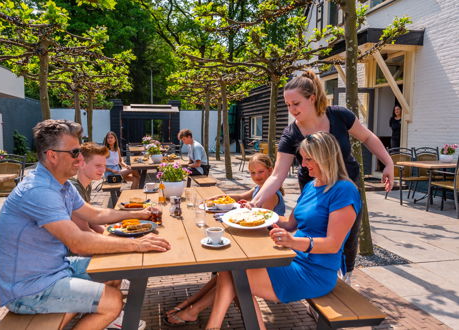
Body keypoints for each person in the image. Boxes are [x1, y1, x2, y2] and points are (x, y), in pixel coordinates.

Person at [0, 120, 171, 330]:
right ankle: (106, 317)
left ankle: (103, 322)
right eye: (75, 152)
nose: (80, 158)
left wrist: (139, 213)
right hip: (28, 289)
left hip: (54, 270)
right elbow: (78, 243)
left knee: (114, 268)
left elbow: (96, 214)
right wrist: (137, 244)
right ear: (52, 155)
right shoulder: (38, 191)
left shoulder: (62, 184)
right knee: (113, 301)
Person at [205, 131, 362, 329]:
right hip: (292, 258)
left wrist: (292, 241)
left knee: (236, 276)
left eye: (308, 159)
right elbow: (289, 223)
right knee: (232, 270)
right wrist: (257, 211)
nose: (303, 165)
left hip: (316, 272)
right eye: (302, 158)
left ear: (326, 157)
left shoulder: (344, 190)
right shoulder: (312, 186)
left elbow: (332, 245)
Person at [250, 70, 394, 282]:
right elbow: (277, 175)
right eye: (288, 105)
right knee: (314, 227)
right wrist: (255, 202)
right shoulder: (291, 134)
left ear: (312, 98)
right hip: (313, 185)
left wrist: (388, 162)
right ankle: (313, 275)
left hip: (346, 182)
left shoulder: (339, 115)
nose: (291, 110)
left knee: (348, 235)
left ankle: (346, 279)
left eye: (296, 104)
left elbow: (367, 137)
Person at [163, 153, 285, 326]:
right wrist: (220, 198)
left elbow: (259, 220)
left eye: (260, 172)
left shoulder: (271, 195)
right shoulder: (259, 189)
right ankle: (189, 306)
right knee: (226, 272)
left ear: (270, 171)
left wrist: (240, 211)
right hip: (255, 240)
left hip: (265, 245)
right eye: (252, 173)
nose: (256, 176)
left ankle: (192, 308)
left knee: (232, 273)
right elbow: (242, 195)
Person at [69, 142, 109, 234]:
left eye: (104, 166)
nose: (103, 170)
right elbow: (84, 230)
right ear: (82, 164)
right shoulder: (74, 188)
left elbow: (89, 219)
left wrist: (109, 230)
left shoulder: (87, 184)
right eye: (98, 165)